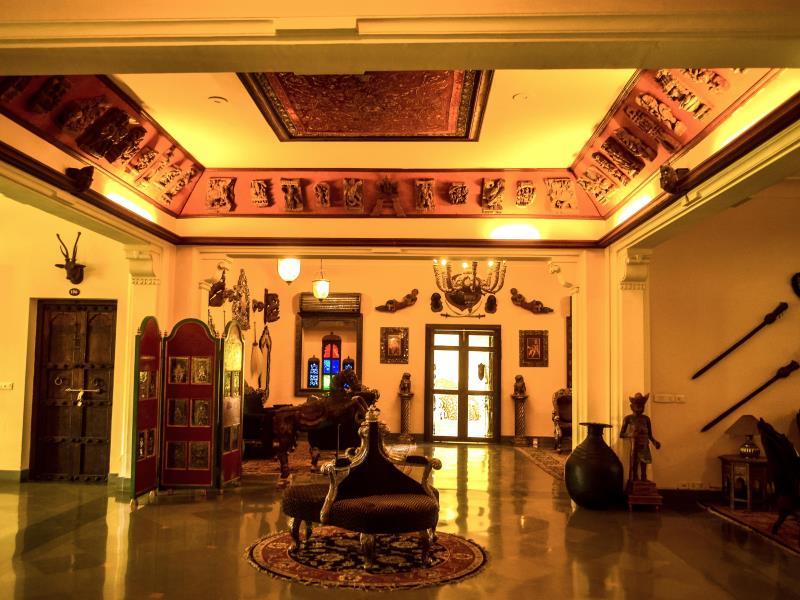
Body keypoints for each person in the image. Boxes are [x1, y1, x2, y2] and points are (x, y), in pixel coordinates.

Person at [619, 392, 661, 482]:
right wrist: (631, 434)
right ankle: (634, 478)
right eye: (638, 406)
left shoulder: (646, 419)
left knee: (644, 462)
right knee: (634, 462)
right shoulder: (628, 418)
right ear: (632, 407)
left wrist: (654, 442)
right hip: (635, 446)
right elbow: (621, 434)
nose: (640, 408)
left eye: (642, 406)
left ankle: (643, 477)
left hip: (645, 444)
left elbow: (649, 435)